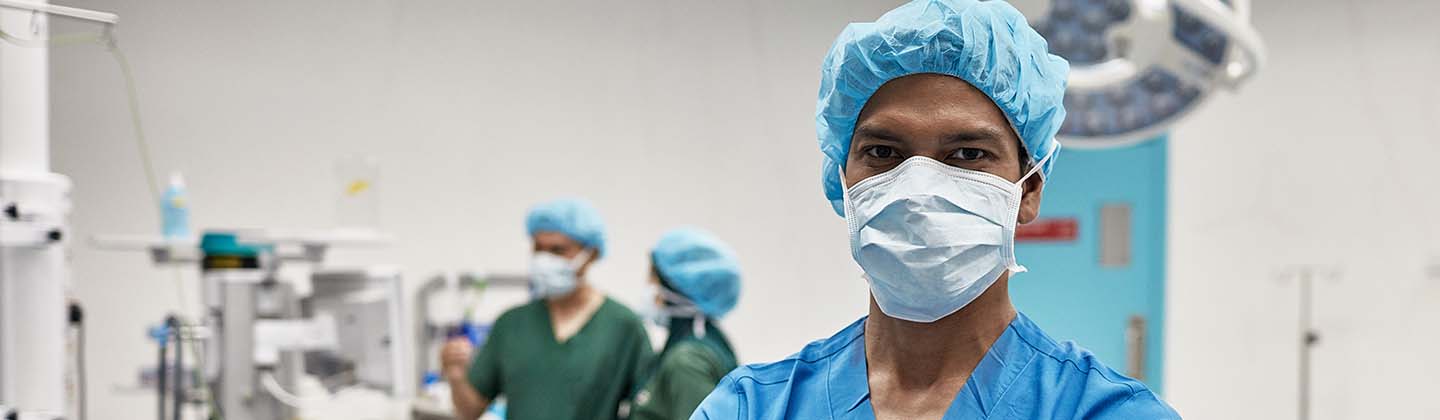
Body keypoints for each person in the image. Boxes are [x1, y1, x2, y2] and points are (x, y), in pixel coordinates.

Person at [691, 1, 1180, 419]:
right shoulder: (751, 407)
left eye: (967, 154)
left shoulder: (1102, 412)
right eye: (884, 152)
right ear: (844, 181)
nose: (917, 187)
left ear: (1028, 189)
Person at [441, 198, 654, 420]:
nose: (545, 259)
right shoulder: (512, 324)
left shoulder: (623, 326)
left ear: (591, 254)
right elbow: (470, 411)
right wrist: (456, 377)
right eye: (538, 248)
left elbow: (649, 408)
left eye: (557, 250)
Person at [631, 227, 742, 420]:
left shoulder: (687, 362)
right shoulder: (698, 342)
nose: (648, 286)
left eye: (653, 276)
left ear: (674, 289)